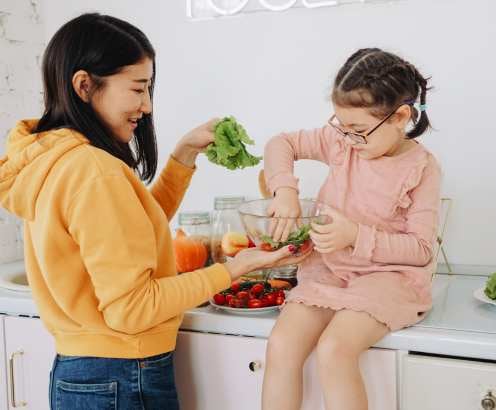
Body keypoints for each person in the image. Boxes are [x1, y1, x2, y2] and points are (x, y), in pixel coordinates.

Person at [0, 13, 304, 409]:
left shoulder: (54, 158)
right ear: (84, 85)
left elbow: (127, 233)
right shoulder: (95, 172)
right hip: (122, 376)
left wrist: (183, 157)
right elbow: (133, 308)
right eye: (137, 89)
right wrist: (232, 269)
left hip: (80, 374)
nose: (146, 105)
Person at [261, 47, 441, 410]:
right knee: (281, 343)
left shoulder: (422, 167)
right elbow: (280, 143)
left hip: (387, 278)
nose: (348, 137)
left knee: (334, 350)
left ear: (400, 116)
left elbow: (421, 249)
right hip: (330, 270)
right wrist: (285, 190)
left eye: (358, 130)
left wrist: (355, 236)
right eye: (341, 126)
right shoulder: (342, 141)